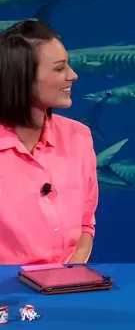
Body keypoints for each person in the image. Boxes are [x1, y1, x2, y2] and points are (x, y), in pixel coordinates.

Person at [0, 20, 98, 264]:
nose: (73, 76)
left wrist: (70, 275)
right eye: (59, 68)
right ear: (22, 78)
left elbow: (86, 224)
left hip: (66, 291)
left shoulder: (79, 137)